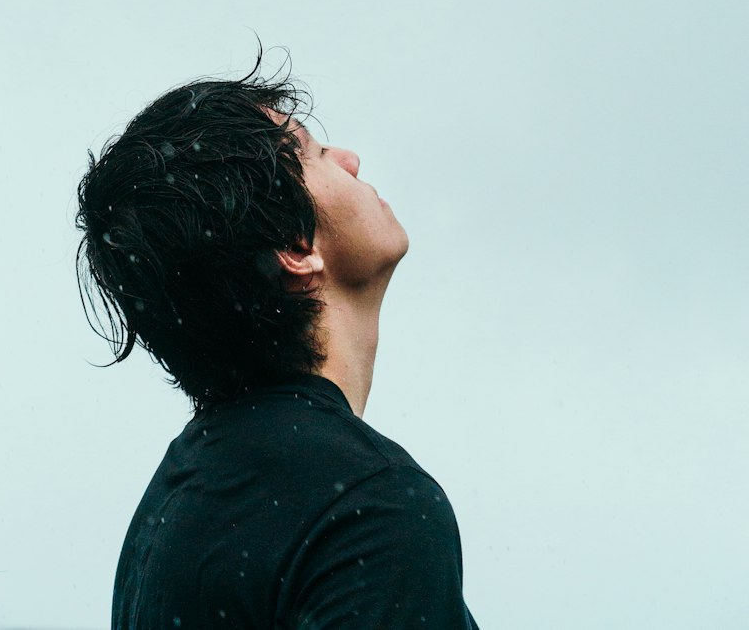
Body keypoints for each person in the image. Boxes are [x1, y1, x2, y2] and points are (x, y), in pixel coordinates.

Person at [75, 47, 480, 629]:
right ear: (296, 249)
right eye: (314, 154)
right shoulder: (368, 507)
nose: (351, 159)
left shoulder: (178, 501)